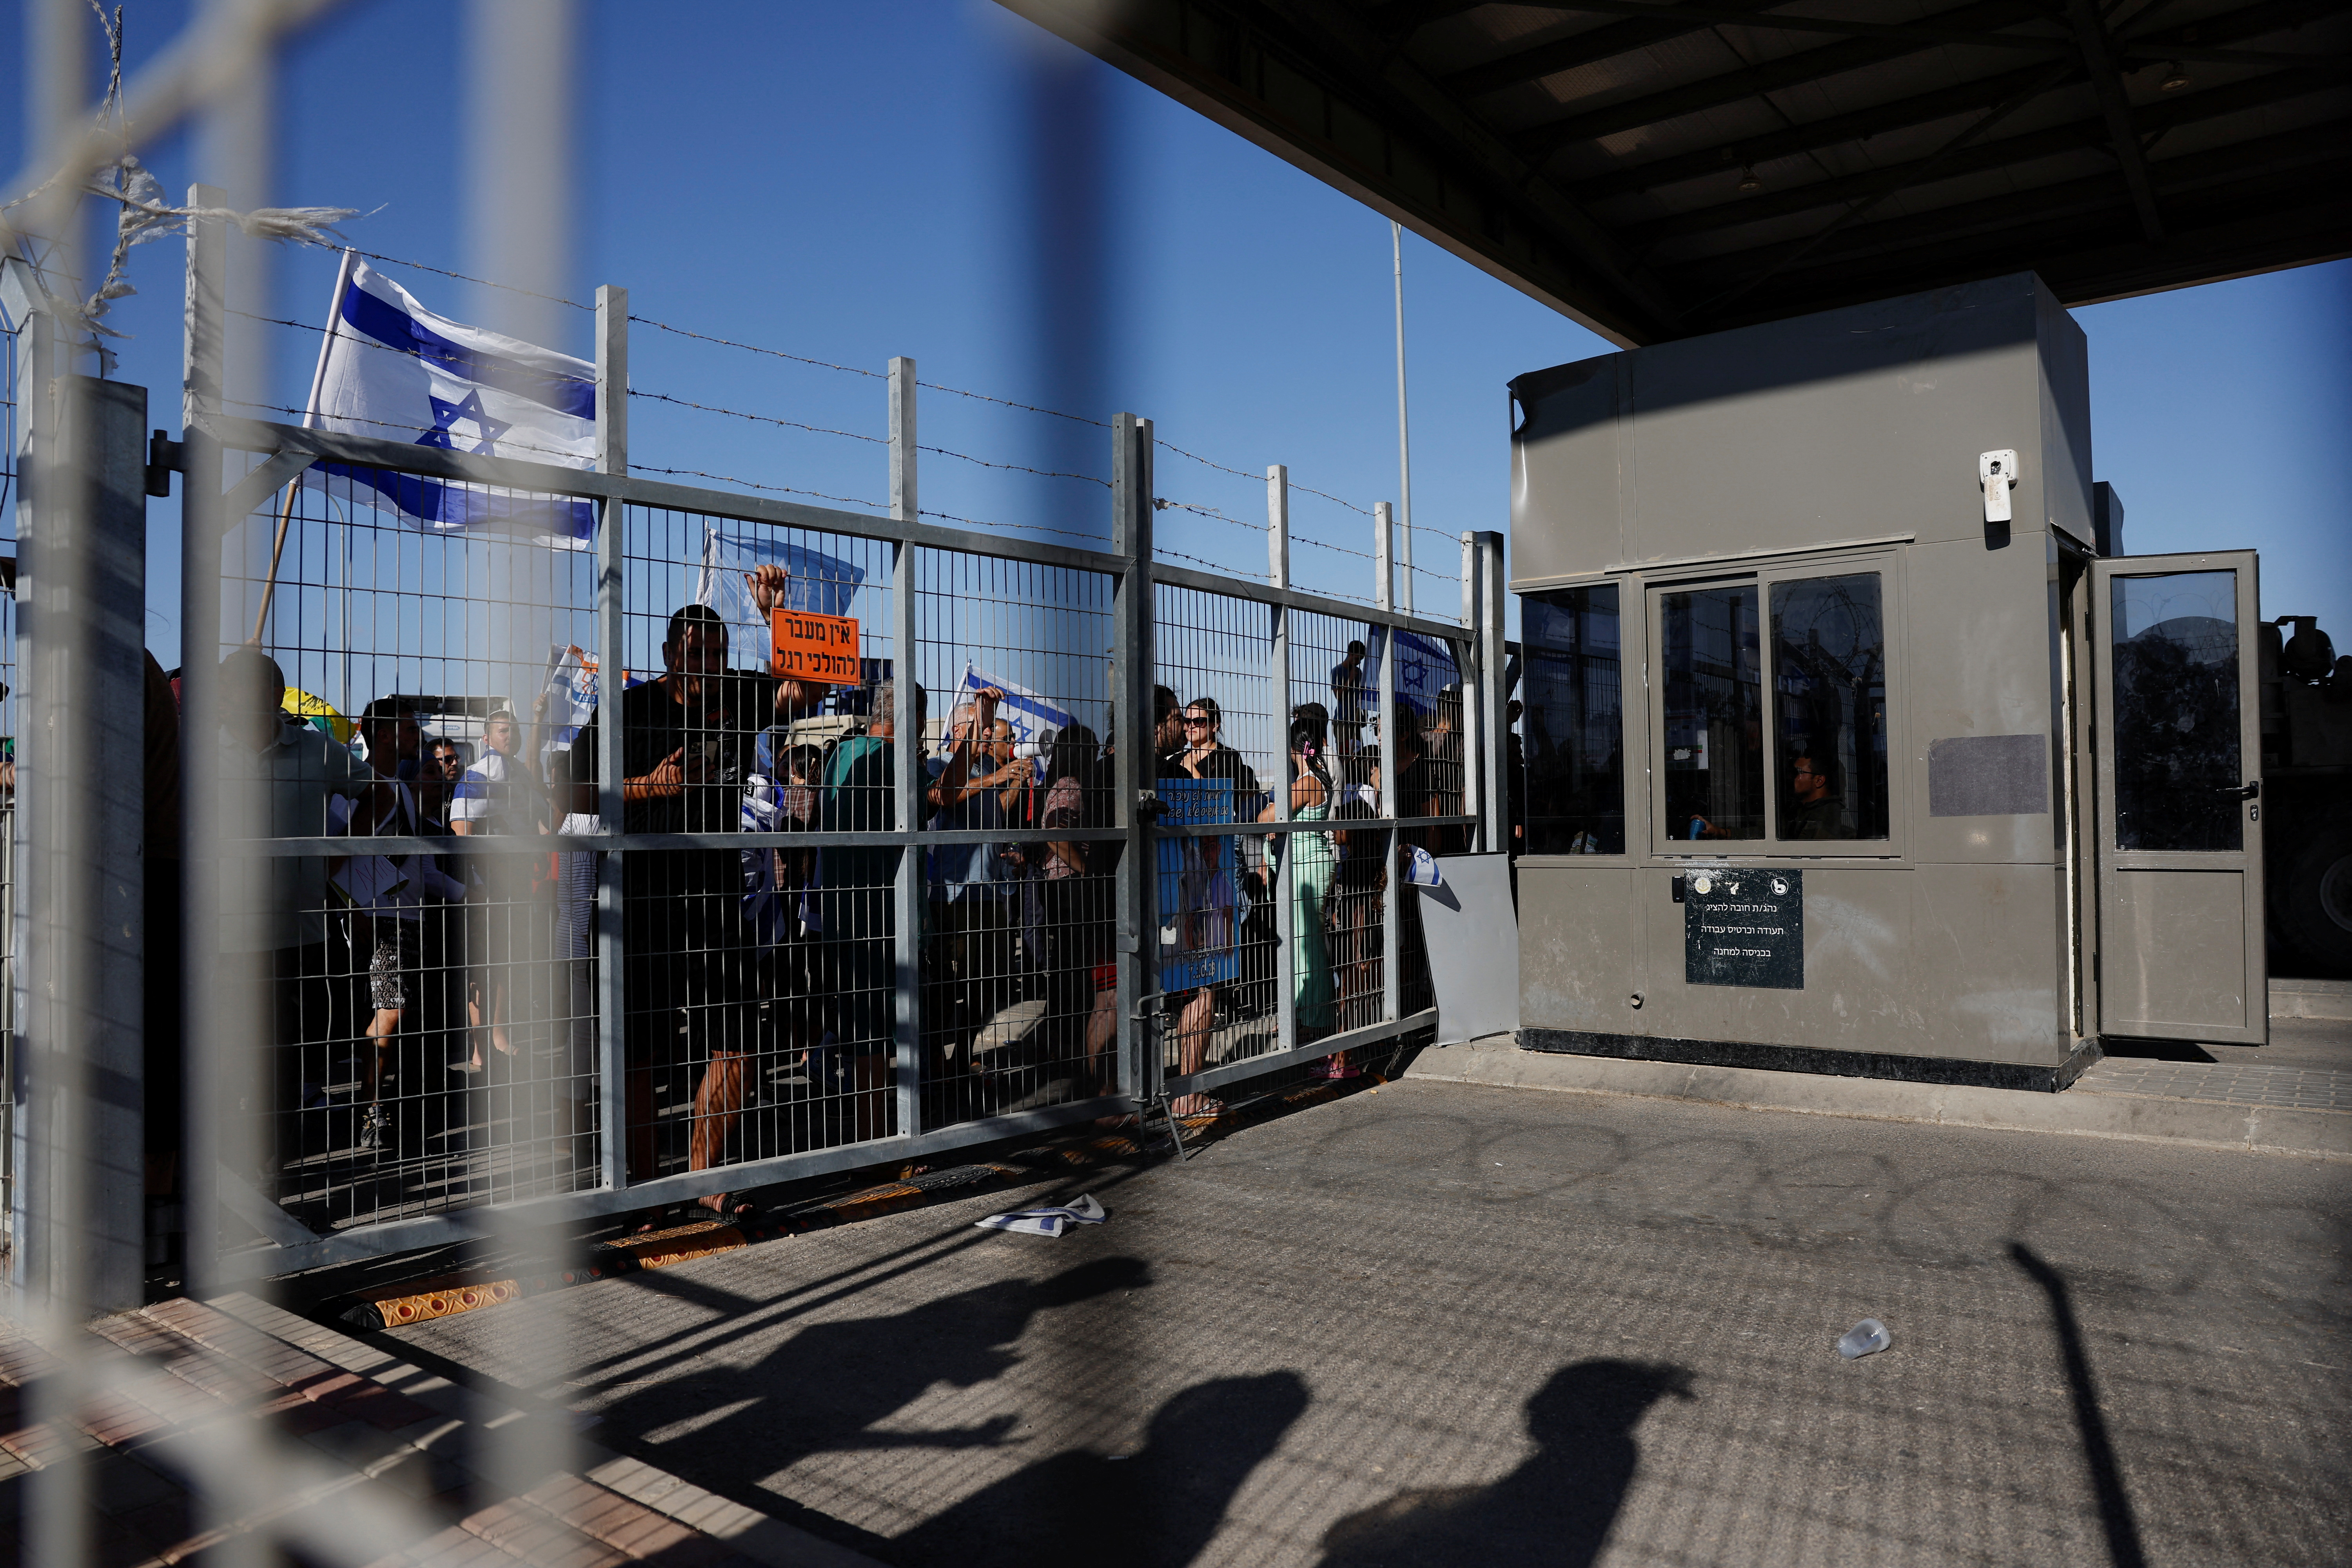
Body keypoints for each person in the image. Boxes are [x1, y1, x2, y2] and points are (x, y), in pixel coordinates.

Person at [570, 568, 811, 1217]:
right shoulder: (628, 710)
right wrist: (650, 787)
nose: (709, 665)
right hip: (636, 900)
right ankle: (649, 1188)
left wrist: (774, 613)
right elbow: (566, 793)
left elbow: (804, 685)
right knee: (638, 1053)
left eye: (719, 654)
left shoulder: (736, 698)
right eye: (696, 653)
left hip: (712, 899)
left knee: (737, 1044)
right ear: (670, 655)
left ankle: (703, 1180)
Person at [214, 650, 375, 1184]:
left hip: (296, 937)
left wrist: (341, 849)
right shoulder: (203, 750)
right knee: (223, 1060)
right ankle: (221, 1179)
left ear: (269, 697)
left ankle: (271, 1183)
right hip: (218, 939)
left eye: (239, 690)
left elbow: (374, 789)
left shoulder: (315, 749)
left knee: (283, 1062)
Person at [340, 700, 463, 1154]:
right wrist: (358, 911)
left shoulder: (403, 793)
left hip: (407, 922)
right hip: (380, 923)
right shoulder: (368, 787)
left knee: (397, 1013)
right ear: (389, 734)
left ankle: (381, 1103)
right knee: (389, 1015)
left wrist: (472, 895)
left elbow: (423, 867)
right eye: (412, 729)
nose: (420, 737)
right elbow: (341, 854)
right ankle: (372, 1111)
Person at [811, 674, 926, 1142]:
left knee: (865, 1037)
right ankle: (888, 1140)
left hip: (844, 916)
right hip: (882, 922)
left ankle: (874, 1138)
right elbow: (944, 796)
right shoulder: (894, 761)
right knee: (890, 1036)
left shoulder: (841, 753)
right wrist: (973, 736)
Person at [1158, 696, 1261, 1119]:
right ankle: (1186, 1089)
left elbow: (1253, 807)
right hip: (1180, 883)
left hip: (1217, 878)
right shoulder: (1172, 762)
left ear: (1215, 724)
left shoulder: (1231, 762)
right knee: (1193, 986)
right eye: (1185, 720)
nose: (1190, 727)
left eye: (1198, 721)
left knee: (1207, 982)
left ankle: (1186, 1086)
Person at [925, 689, 1028, 1099]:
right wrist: (995, 778)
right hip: (951, 894)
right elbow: (947, 796)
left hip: (987, 893)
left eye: (990, 731)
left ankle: (961, 1058)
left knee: (988, 982)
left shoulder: (988, 767)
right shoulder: (939, 764)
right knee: (945, 987)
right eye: (983, 729)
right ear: (960, 731)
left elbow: (994, 813)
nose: (990, 737)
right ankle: (935, 1066)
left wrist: (1012, 785)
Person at [449, 707, 541, 1071]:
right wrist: (479, 887)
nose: (511, 736)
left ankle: (498, 1037)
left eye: (514, 730)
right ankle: (481, 1048)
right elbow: (461, 835)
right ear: (486, 737)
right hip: (485, 891)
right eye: (503, 731)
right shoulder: (475, 777)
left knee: (504, 964)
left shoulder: (521, 775)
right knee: (481, 968)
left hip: (515, 888)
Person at [1262, 708, 1338, 1049]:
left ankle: (1315, 1018)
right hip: (1308, 864)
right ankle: (1304, 1015)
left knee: (1307, 947)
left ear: (1295, 751)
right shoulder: (1320, 778)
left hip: (1307, 867)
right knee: (1304, 944)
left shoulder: (1306, 783)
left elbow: (1268, 816)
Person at [1784, 753, 1845, 839]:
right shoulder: (1805, 810)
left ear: (1819, 781)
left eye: (1798, 772)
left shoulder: (1827, 814)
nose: (1791, 777)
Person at [1330, 641, 1369, 761]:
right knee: (1345, 754)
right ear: (1350, 654)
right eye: (1357, 658)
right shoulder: (1337, 671)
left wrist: (1364, 714)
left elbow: (1361, 696)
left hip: (1356, 720)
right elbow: (1339, 695)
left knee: (1358, 754)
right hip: (1343, 721)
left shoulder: (1359, 673)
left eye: (1361, 660)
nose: (1358, 662)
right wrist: (1351, 679)